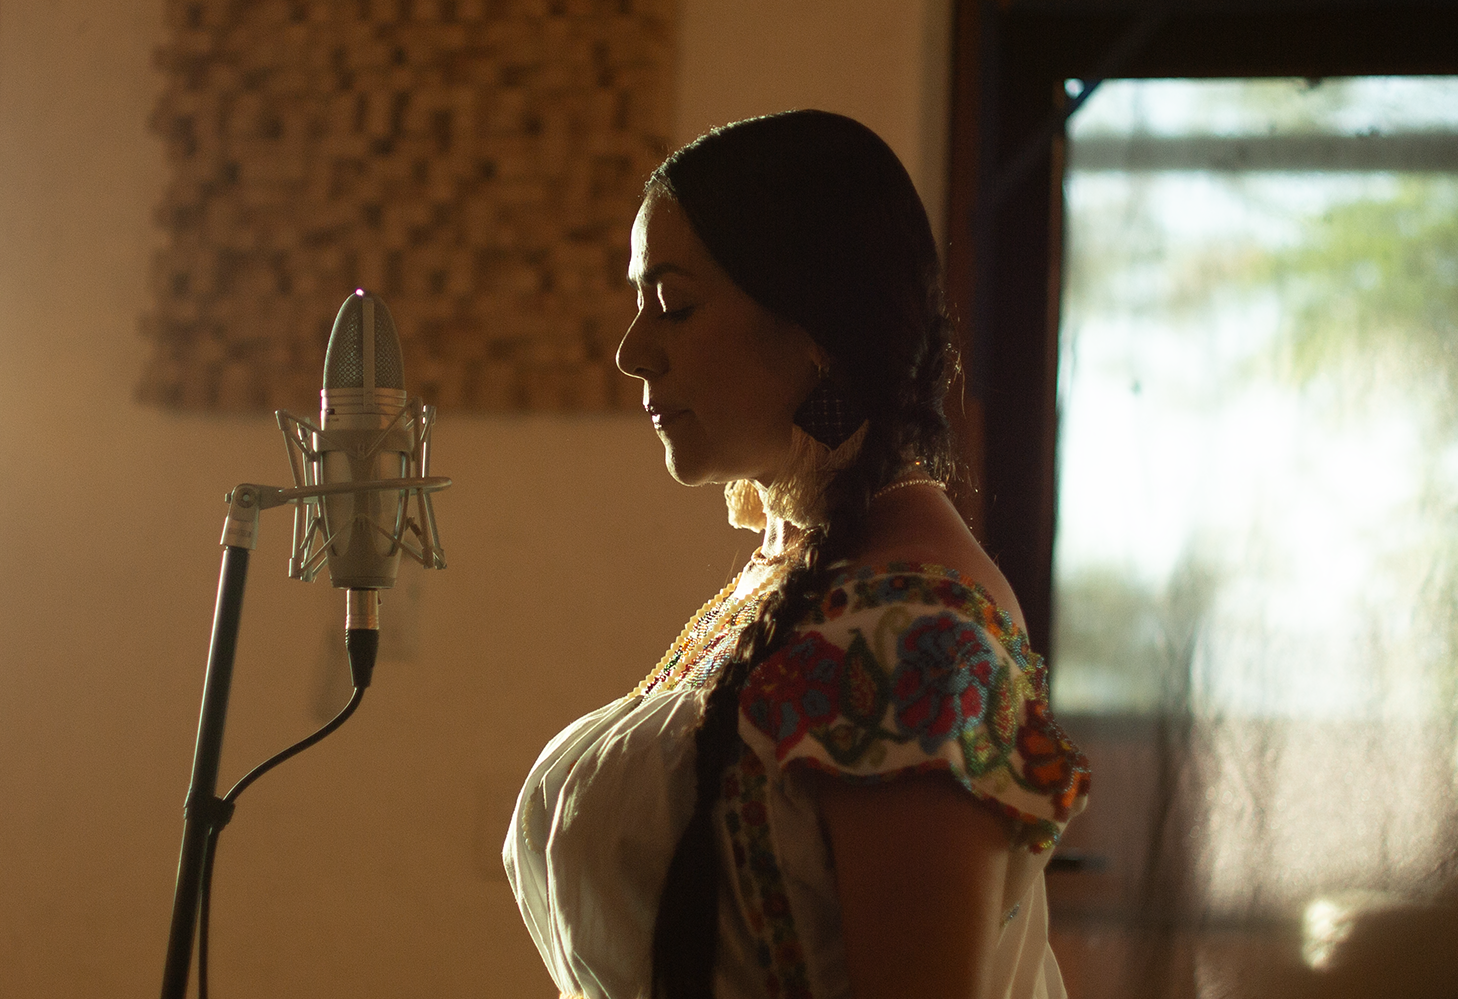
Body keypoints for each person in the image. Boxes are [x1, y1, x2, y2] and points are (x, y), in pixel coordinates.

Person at [503, 110, 1090, 999]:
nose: (631, 352)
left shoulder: (912, 633)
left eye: (673, 304)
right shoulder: (802, 578)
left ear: (816, 322)